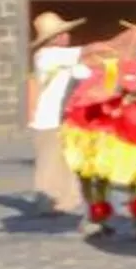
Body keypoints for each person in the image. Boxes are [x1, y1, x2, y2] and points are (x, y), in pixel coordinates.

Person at [26, 11, 90, 215]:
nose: (66, 36)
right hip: (46, 120)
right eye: (62, 34)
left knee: (65, 162)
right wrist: (114, 45)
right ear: (53, 39)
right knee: (48, 164)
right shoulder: (46, 56)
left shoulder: (64, 60)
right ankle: (46, 204)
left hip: (62, 119)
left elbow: (85, 71)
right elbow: (88, 51)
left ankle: (66, 202)